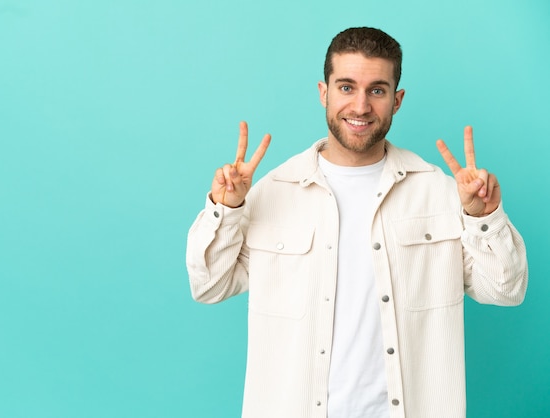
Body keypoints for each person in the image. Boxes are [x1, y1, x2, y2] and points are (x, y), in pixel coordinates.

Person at [185, 27, 527, 418]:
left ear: (397, 100)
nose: (361, 106)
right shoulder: (272, 191)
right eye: (346, 87)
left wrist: (482, 217)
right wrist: (226, 209)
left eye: (377, 90)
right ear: (323, 92)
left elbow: (505, 290)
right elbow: (208, 285)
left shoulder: (440, 192)